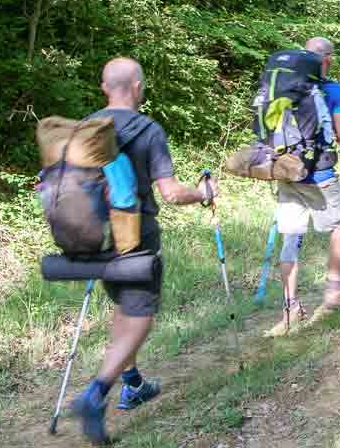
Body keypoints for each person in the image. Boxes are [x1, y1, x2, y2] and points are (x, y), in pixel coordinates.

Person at [71, 57, 217, 446]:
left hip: (94, 239)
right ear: (136, 86)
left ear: (105, 88)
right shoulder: (149, 129)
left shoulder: (87, 126)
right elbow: (170, 193)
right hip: (135, 238)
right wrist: (203, 194)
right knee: (141, 319)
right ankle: (95, 394)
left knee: (123, 310)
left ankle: (133, 385)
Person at [274, 37, 340, 330]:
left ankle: (290, 307)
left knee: (291, 236)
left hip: (288, 173)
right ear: (327, 59)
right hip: (320, 175)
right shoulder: (334, 90)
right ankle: (334, 293)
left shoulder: (285, 86)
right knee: (337, 227)